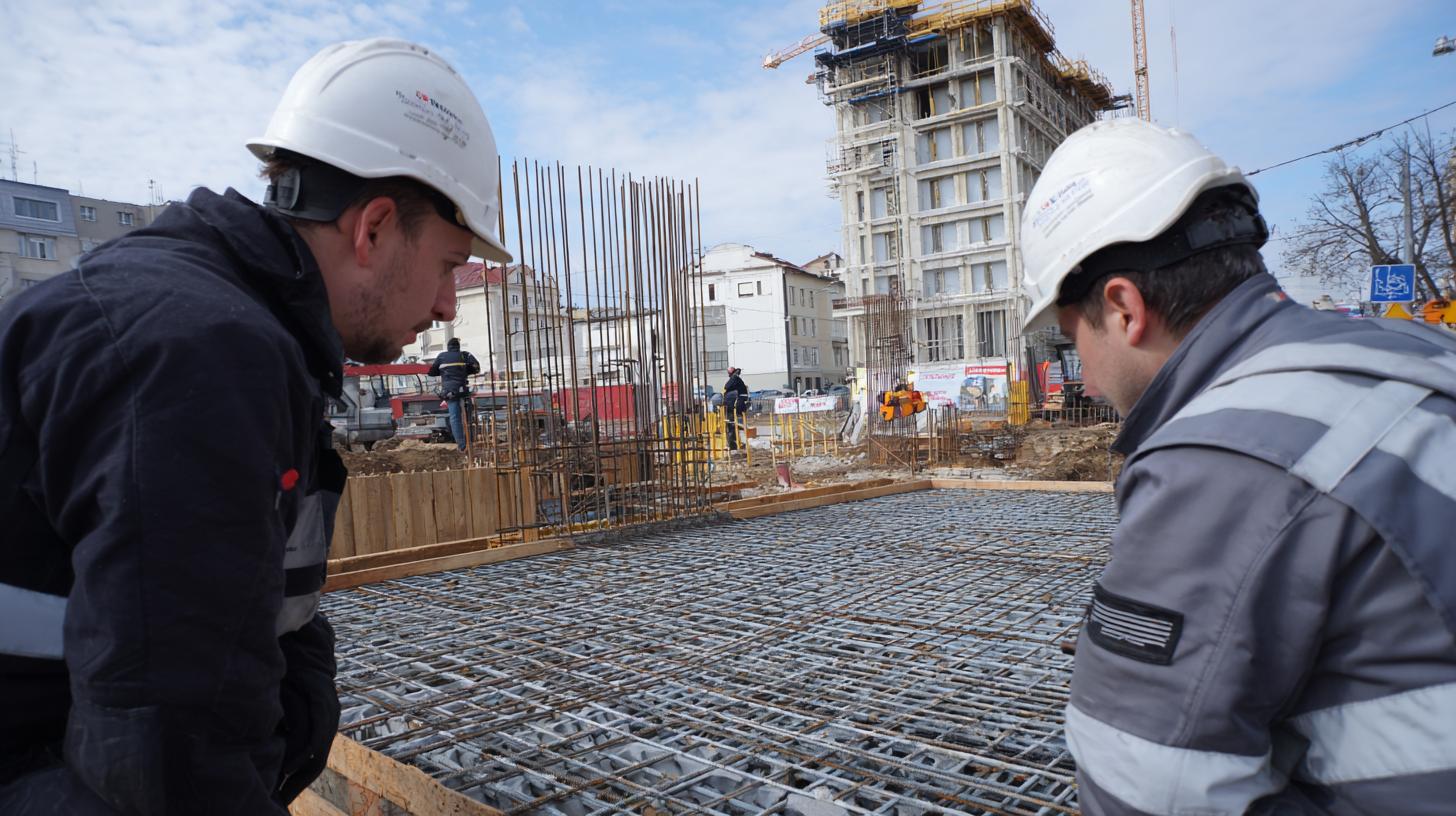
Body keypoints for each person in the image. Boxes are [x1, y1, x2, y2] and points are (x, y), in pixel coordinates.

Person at [0, 39, 511, 814]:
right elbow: (169, 756)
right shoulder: (200, 355)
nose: (448, 306)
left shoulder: (222, 326)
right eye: (447, 266)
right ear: (373, 228)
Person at [1020, 118, 1456, 814]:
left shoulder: (1220, 462)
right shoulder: (1415, 356)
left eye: (1074, 339)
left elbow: (1146, 792)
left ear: (1123, 308)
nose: (1089, 382)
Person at [429, 337, 481, 451]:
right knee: (468, 417)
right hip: (463, 391)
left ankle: (462, 446)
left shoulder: (442, 356)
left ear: (448, 347)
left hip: (449, 392)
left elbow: (431, 372)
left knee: (455, 418)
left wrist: (443, 371)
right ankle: (471, 440)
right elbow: (477, 367)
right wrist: (465, 370)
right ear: (458, 347)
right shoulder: (465, 355)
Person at [722, 366, 749, 451]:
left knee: (732, 424)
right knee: (732, 425)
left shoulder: (735, 378)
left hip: (737, 405)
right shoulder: (736, 379)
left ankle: (733, 444)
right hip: (738, 405)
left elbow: (727, 386)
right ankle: (734, 443)